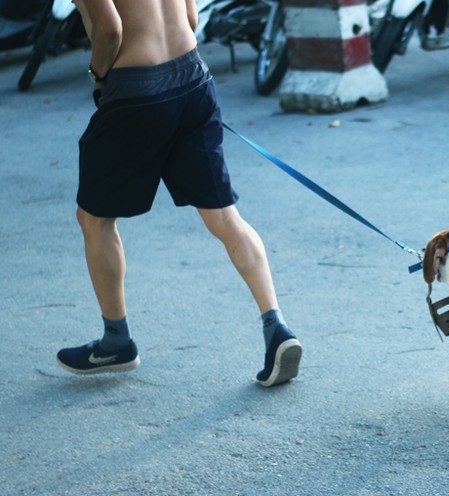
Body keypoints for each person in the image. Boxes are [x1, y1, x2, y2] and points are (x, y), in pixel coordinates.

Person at [56, 0, 302, 387]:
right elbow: (190, 18)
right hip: (193, 78)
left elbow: (109, 29)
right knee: (224, 217)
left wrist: (99, 77)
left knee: (95, 219)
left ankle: (116, 341)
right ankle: (277, 328)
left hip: (137, 88)